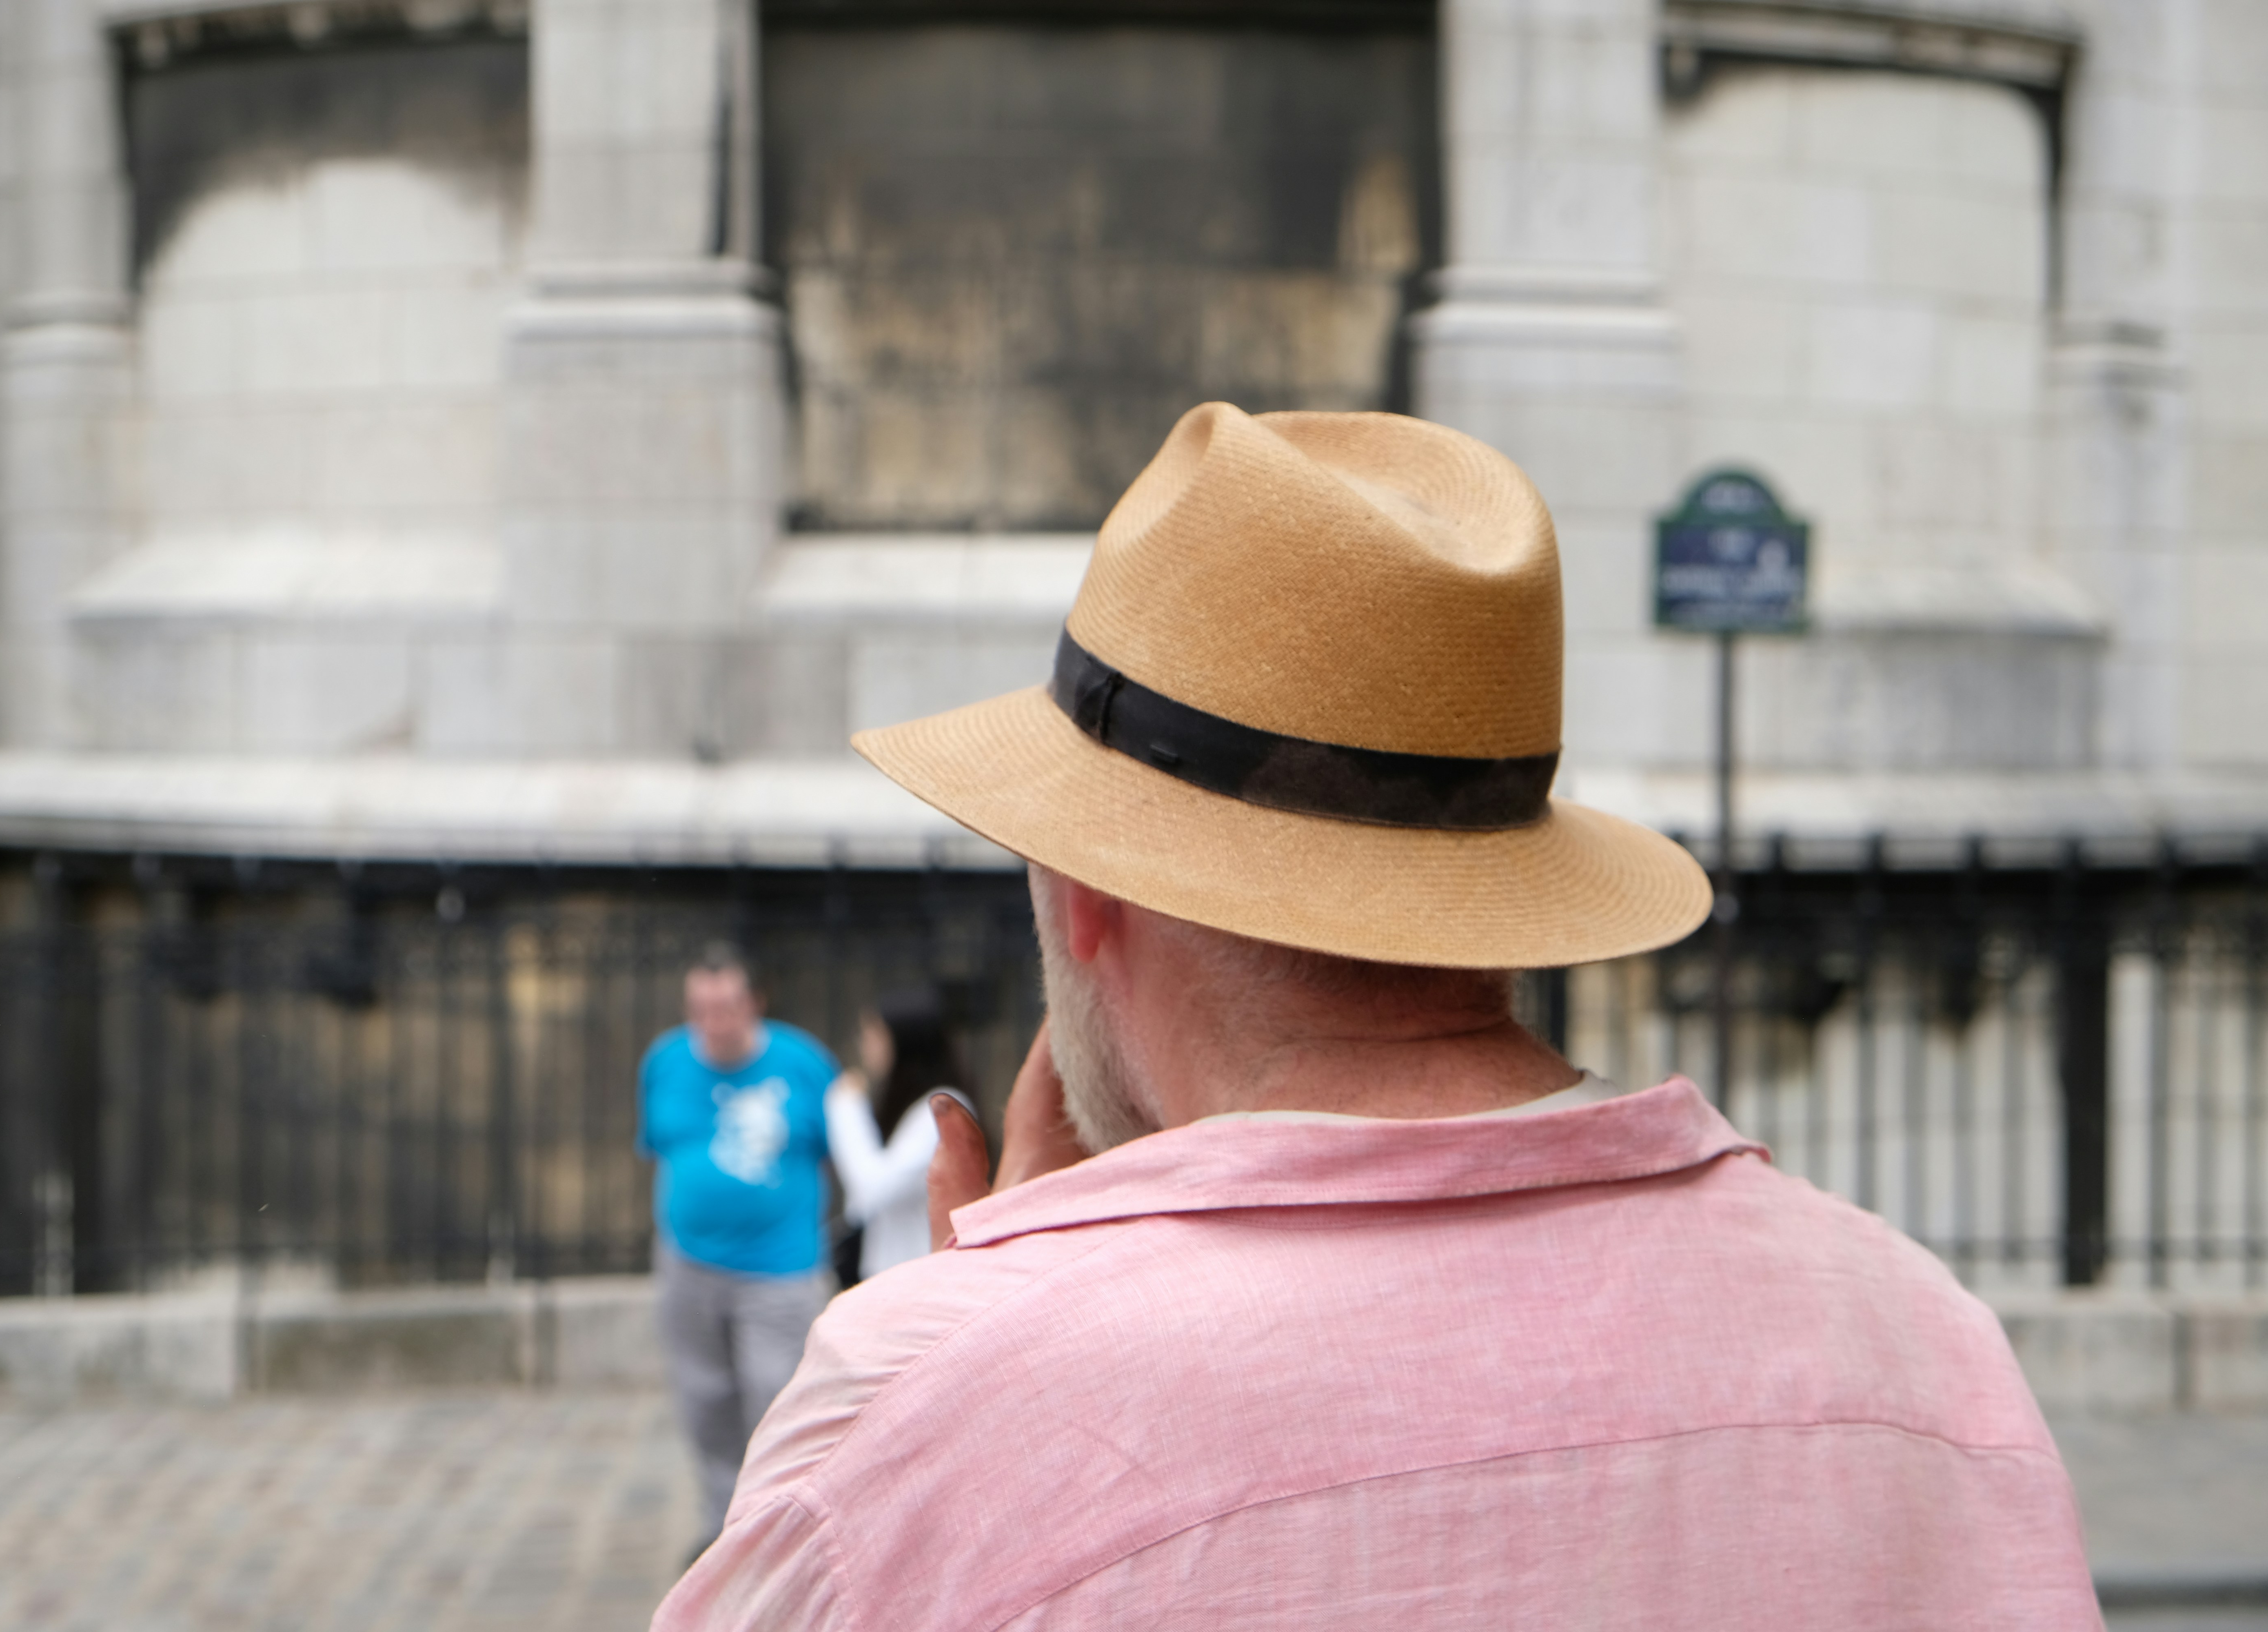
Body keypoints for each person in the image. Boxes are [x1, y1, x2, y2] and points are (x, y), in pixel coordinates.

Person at [655, 405, 2098, 1626]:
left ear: (1083, 893)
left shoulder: (919, 1433)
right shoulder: (1924, 1348)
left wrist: (981, 1337)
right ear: (1510, 894)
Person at [638, 944, 837, 1556]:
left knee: (775, 1402)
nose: (713, 1022)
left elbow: (843, 1151)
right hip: (688, 1264)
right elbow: (658, 1147)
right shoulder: (665, 1060)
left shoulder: (803, 1063)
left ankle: (779, 1533)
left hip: (780, 1270)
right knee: (705, 1400)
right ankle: (721, 1530)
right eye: (700, 1008)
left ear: (754, 1002)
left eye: (725, 1007)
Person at [825, 988, 966, 1282]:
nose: (865, 1046)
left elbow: (871, 1191)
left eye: (874, 1034)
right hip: (892, 1280)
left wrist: (845, 1105)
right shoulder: (907, 1106)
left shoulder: (942, 1108)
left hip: (919, 1283)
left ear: (904, 1041)